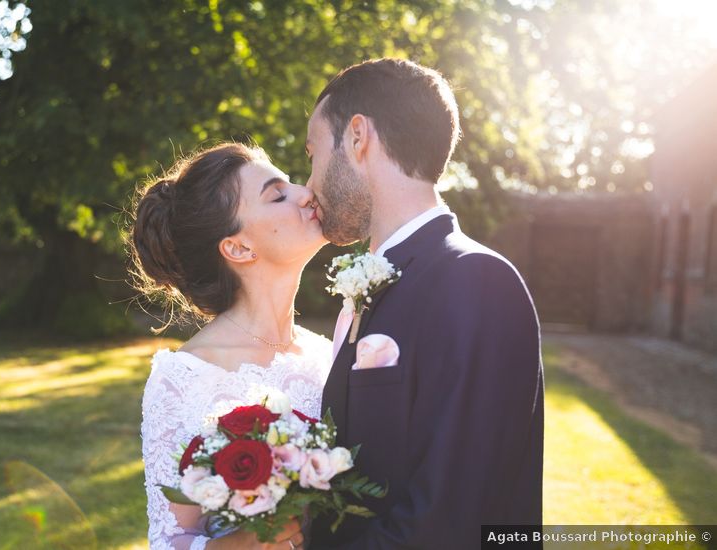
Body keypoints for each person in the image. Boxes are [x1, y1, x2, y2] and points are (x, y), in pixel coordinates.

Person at [304, 58, 544, 549]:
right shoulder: (381, 283)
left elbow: (450, 520)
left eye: (312, 154)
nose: (310, 183)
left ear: (357, 137)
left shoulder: (476, 280)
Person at [131, 142, 329, 549]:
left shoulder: (330, 356)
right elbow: (170, 539)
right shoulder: (182, 379)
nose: (305, 192)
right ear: (238, 248)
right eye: (278, 195)